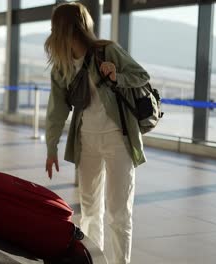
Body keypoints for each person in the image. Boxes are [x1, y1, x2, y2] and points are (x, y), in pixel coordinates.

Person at [44, 2, 150, 264]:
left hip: (118, 139)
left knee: (118, 213)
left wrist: (117, 76)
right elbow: (56, 109)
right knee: (90, 211)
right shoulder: (63, 66)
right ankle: (94, 260)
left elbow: (141, 75)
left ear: (66, 28)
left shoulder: (107, 51)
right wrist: (51, 147)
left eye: (55, 27)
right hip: (86, 141)